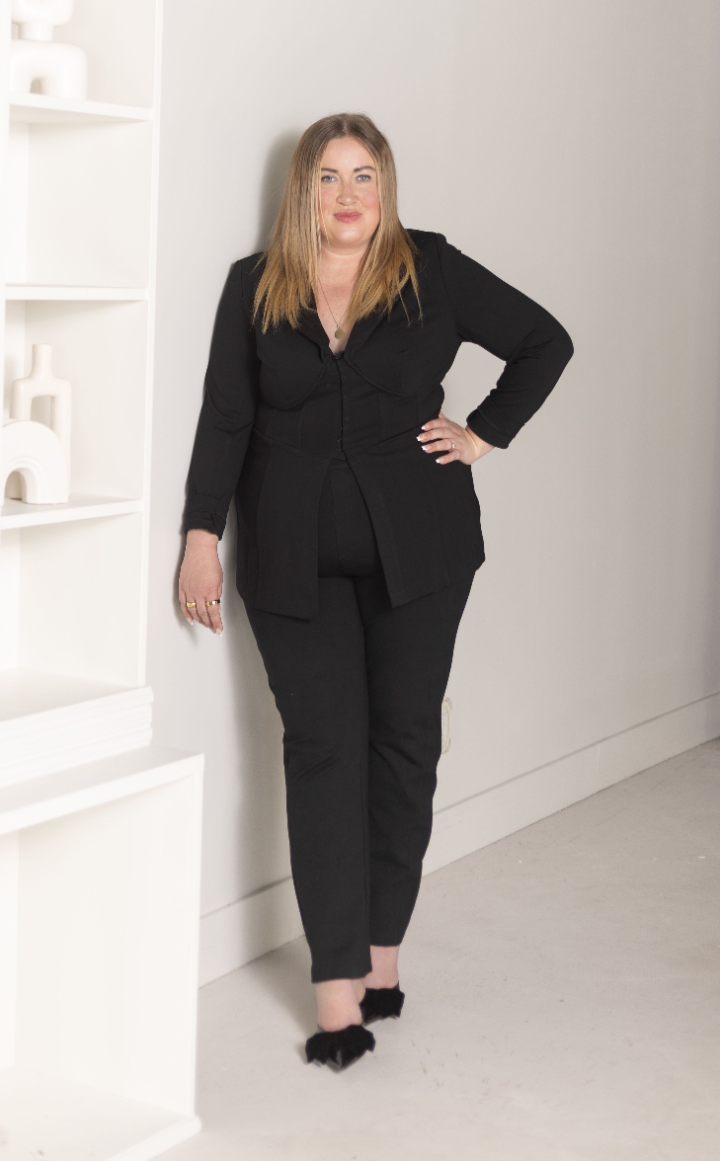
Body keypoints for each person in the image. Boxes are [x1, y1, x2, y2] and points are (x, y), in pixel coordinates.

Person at [178, 113, 573, 1070]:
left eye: (364, 175)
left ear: (385, 188)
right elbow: (227, 416)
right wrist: (201, 537)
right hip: (291, 562)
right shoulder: (254, 284)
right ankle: (336, 990)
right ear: (303, 192)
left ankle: (384, 955)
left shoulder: (431, 268)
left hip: (423, 554)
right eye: (328, 176)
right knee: (322, 753)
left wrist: (483, 433)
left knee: (403, 745)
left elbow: (544, 341)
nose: (348, 194)